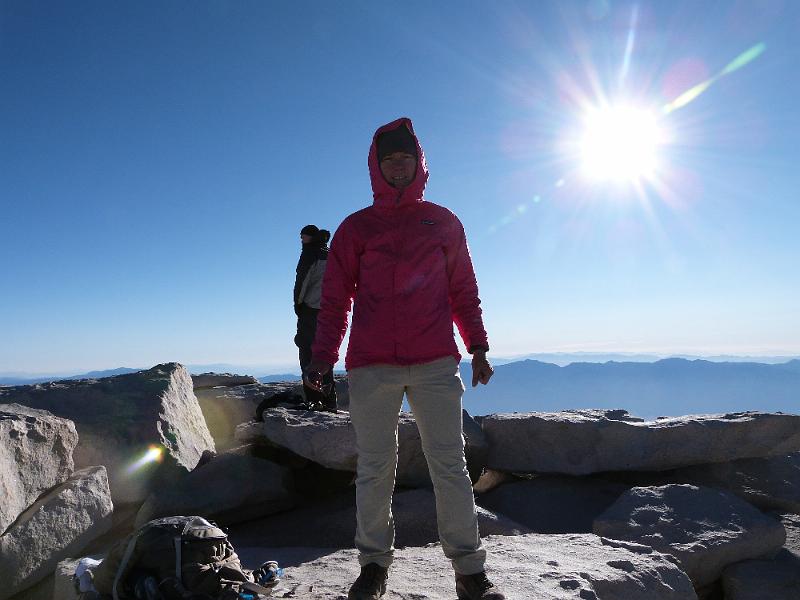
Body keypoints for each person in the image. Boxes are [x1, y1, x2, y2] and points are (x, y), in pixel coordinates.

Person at [305, 118, 503, 600]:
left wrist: (477, 345)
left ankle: (469, 571)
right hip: (371, 365)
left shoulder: (443, 221)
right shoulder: (356, 228)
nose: (398, 166)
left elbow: (463, 291)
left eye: (405, 158)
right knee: (375, 467)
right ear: (376, 166)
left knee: (449, 465)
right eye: (388, 159)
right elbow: (335, 301)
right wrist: (321, 360)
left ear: (420, 164)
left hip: (436, 360)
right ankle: (373, 565)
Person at [293, 224, 337, 411]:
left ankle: (314, 399)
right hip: (330, 311)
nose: (301, 239)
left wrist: (298, 305)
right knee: (324, 354)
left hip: (311, 310)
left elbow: (302, 282)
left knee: (307, 352)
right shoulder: (330, 253)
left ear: (309, 237)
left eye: (302, 236)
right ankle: (329, 400)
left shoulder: (310, 253)